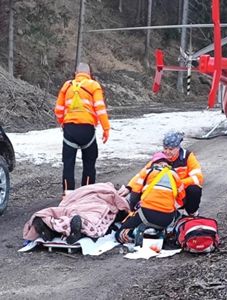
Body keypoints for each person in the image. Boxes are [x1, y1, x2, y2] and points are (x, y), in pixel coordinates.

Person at [54, 62, 110, 192]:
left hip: (70, 130)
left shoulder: (67, 86)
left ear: (76, 73)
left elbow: (58, 109)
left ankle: (68, 194)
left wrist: (63, 122)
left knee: (68, 164)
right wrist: (106, 128)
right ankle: (86, 193)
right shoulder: (93, 85)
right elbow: (100, 109)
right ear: (89, 74)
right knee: (89, 164)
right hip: (87, 130)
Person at [115, 151, 185, 244]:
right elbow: (182, 199)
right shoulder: (175, 176)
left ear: (154, 162)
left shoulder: (148, 172)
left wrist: (133, 211)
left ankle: (137, 235)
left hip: (147, 214)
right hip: (167, 219)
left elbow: (134, 196)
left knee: (119, 234)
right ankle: (156, 231)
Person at [161, 131, 204, 216]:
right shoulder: (160, 158)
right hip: (165, 191)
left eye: (171, 149)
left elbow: (198, 178)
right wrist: (129, 188)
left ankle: (191, 213)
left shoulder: (187, 156)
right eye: (165, 148)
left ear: (178, 148)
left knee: (194, 189)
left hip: (183, 191)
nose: (167, 152)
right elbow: (144, 174)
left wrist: (178, 184)